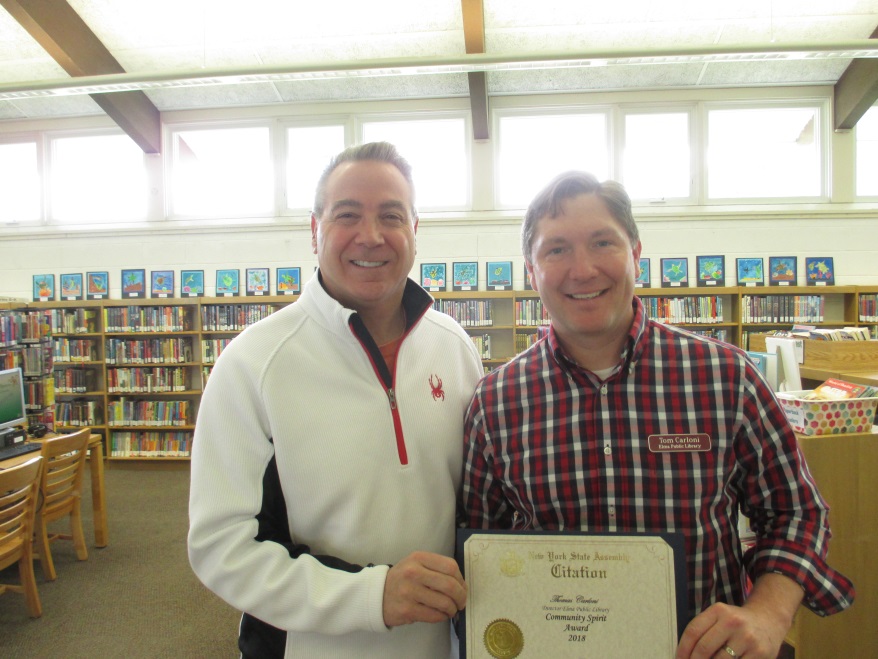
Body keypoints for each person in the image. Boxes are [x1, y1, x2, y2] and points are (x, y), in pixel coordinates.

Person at [460, 171, 855, 659]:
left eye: (602, 242)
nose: (581, 270)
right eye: (556, 249)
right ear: (531, 269)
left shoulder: (725, 377)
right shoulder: (495, 402)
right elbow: (480, 543)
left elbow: (796, 512)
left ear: (636, 254)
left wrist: (768, 612)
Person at [188, 141, 484, 658]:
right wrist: (371, 596)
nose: (371, 235)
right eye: (348, 214)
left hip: (442, 644)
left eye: (391, 215)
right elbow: (221, 549)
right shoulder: (253, 364)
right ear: (314, 229)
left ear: (415, 232)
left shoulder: (455, 347)